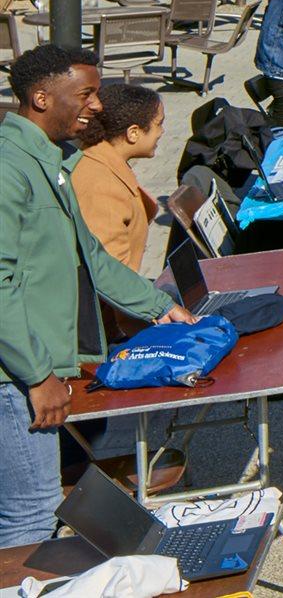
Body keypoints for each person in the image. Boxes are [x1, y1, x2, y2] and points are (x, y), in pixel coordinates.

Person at [0, 47, 193, 548]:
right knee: (30, 516)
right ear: (40, 97)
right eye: (85, 93)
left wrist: (159, 307)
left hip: (33, 363)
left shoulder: (51, 159)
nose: (97, 106)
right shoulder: (9, 166)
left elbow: (91, 257)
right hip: (15, 374)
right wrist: (38, 375)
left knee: (40, 506)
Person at [71, 82, 164, 272]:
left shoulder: (102, 161)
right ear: (134, 133)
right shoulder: (101, 186)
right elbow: (110, 273)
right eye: (159, 124)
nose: (162, 132)